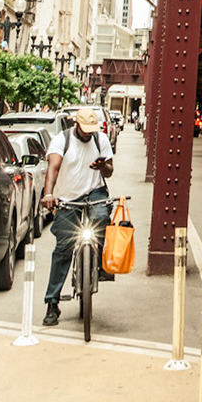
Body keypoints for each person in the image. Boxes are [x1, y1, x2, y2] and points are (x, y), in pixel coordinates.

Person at [39, 106, 115, 327]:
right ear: (76, 125)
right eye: (85, 129)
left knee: (102, 218)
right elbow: (53, 168)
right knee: (63, 247)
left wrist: (103, 166)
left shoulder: (100, 140)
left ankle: (98, 264)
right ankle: (52, 303)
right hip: (67, 196)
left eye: (92, 130)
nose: (89, 133)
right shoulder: (61, 141)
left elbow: (110, 170)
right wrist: (49, 194)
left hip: (95, 191)